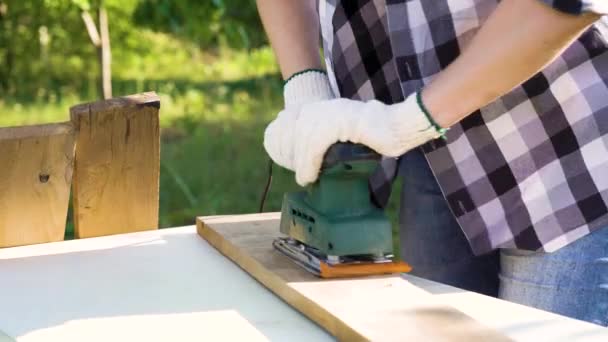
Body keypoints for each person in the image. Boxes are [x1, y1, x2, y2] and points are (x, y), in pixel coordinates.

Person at [256, 0, 608, 326]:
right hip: (429, 155)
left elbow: (566, 5)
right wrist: (305, 83)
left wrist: (406, 123)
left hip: (563, 150)